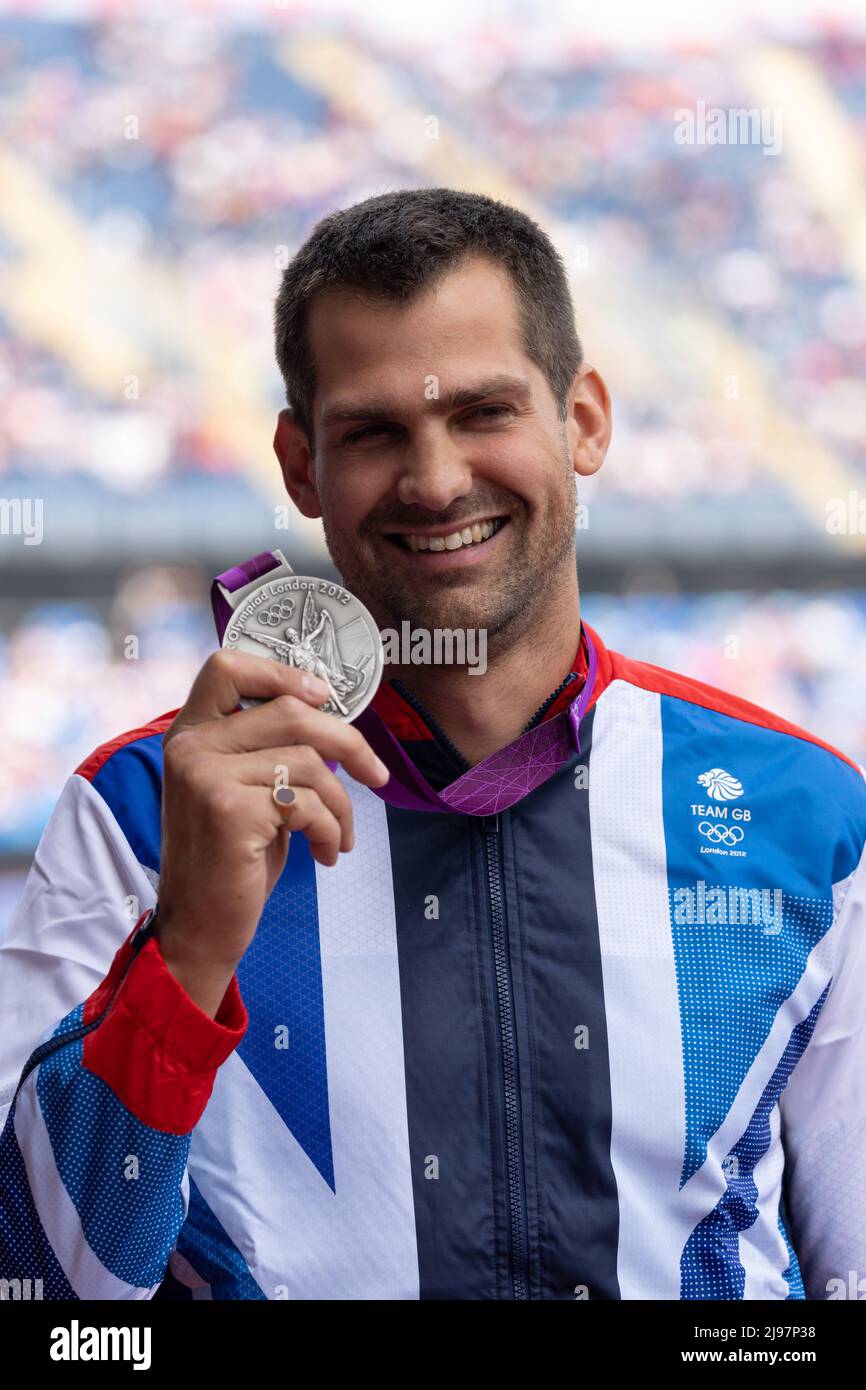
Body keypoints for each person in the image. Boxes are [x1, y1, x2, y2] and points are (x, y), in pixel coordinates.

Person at [1, 188, 864, 1301]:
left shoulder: (804, 814)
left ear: (584, 420)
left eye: (483, 412)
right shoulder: (137, 816)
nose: (437, 479)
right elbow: (45, 1298)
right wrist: (185, 951)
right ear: (299, 464)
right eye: (372, 431)